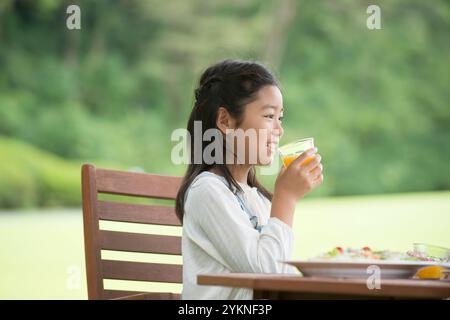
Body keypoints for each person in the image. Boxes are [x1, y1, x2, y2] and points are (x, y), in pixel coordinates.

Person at [175, 59, 323, 299]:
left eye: (280, 118)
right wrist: (286, 198)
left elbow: (280, 278)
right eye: (268, 116)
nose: (279, 129)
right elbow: (267, 274)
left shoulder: (259, 199)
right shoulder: (207, 191)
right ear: (225, 121)